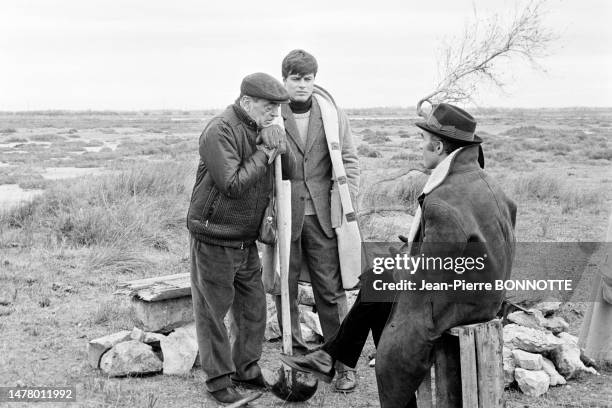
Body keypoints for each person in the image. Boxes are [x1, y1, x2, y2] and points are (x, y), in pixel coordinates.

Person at [281, 103, 517, 408]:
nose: (421, 147)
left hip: (465, 303)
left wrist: (405, 262)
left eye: (423, 141)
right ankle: (331, 356)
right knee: (379, 281)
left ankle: (336, 357)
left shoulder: (442, 201)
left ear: (438, 145)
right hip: (486, 291)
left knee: (381, 291)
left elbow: (428, 277)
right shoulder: (483, 181)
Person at [186, 72, 296, 404]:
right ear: (246, 102)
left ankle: (246, 371)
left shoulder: (259, 127)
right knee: (213, 313)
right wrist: (264, 152)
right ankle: (219, 381)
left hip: (245, 239)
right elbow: (231, 184)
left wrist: (275, 134)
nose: (274, 114)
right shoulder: (220, 130)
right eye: (268, 108)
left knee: (253, 310)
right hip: (214, 236)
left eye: (277, 109)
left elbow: (286, 168)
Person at [275, 49, 360, 392]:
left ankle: (342, 363)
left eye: (308, 78)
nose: (302, 85)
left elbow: (350, 162)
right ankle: (294, 358)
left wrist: (345, 203)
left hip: (324, 218)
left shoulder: (332, 113)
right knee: (286, 290)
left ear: (315, 80)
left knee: (331, 291)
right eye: (295, 78)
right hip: (284, 215)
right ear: (284, 79)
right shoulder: (271, 116)